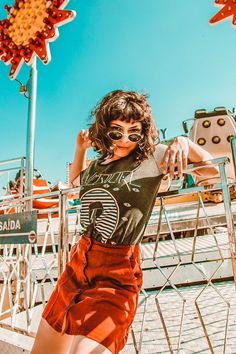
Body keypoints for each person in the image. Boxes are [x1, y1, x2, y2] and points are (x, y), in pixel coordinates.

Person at [31, 90, 218, 354]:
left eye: (134, 133)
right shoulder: (98, 165)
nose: (125, 140)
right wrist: (80, 149)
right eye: (116, 131)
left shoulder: (153, 157)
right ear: (103, 130)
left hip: (116, 273)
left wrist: (184, 143)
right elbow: (75, 185)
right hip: (76, 266)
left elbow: (211, 170)